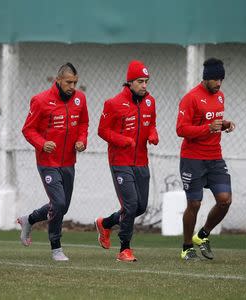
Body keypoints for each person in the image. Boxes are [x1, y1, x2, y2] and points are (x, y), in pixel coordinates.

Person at [17, 63, 89, 261]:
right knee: (58, 203)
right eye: (68, 82)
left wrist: (82, 140)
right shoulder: (41, 101)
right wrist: (42, 143)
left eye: (75, 82)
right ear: (58, 80)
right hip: (48, 161)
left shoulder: (80, 99)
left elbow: (83, 123)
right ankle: (56, 247)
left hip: (68, 161)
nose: (72, 86)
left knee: (61, 207)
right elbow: (28, 129)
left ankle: (28, 220)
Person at [95, 60, 158, 262]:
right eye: (140, 81)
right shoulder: (113, 103)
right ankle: (124, 249)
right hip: (120, 162)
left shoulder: (150, 102)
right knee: (130, 206)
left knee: (140, 207)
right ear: (129, 82)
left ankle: (105, 224)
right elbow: (102, 130)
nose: (144, 85)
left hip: (141, 162)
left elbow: (151, 124)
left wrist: (153, 134)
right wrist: (123, 140)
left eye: (146, 81)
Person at [177, 58, 235, 261]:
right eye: (215, 79)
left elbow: (213, 122)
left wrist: (225, 124)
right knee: (194, 204)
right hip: (193, 158)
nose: (219, 83)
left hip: (215, 157)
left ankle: (202, 235)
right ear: (206, 78)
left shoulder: (220, 97)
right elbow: (181, 129)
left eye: (221, 79)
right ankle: (186, 247)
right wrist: (207, 128)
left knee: (225, 201)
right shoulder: (191, 98)